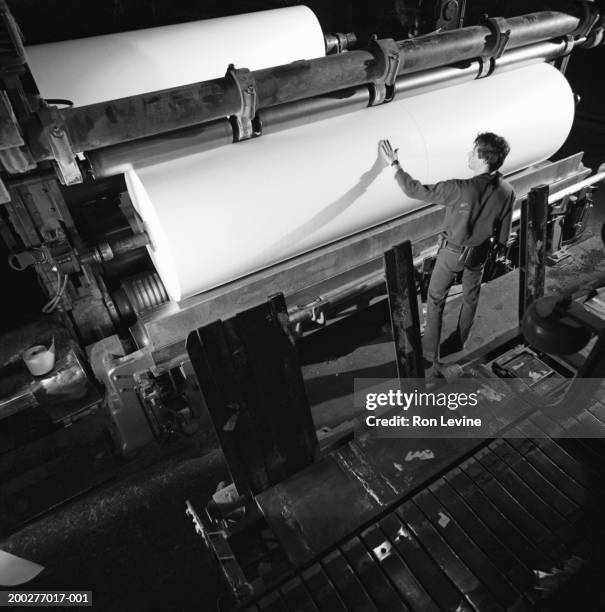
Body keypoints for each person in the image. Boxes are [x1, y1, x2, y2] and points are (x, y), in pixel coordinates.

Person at [379, 133, 515, 375]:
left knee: (435, 299)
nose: (469, 155)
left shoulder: (459, 188)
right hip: (478, 255)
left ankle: (431, 353)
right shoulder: (507, 190)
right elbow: (503, 236)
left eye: (473, 152)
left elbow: (414, 190)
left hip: (451, 254)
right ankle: (460, 340)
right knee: (471, 296)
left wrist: (395, 164)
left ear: (483, 158)